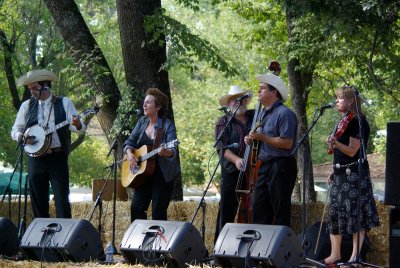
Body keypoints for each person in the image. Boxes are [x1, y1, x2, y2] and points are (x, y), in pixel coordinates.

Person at [11, 69, 85, 218]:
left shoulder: (64, 102)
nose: (31, 91)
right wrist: (22, 136)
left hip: (57, 158)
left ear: (45, 86)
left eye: (34, 88)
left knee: (62, 202)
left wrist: (77, 124)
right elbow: (15, 130)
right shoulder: (27, 106)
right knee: (38, 202)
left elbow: (79, 129)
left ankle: (64, 238)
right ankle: (41, 239)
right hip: (35, 159)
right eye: (29, 89)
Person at [322, 85, 380, 265]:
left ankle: (355, 256)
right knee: (334, 213)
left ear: (350, 101)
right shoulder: (342, 121)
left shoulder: (358, 121)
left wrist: (336, 143)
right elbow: (340, 152)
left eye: (340, 98)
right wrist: (334, 169)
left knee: (356, 215)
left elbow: (353, 151)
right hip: (340, 173)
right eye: (337, 98)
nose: (337, 101)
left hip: (355, 174)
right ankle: (335, 254)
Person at [244, 73, 298, 226]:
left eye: (262, 88)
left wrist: (263, 138)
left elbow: (287, 143)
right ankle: (260, 247)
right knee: (259, 210)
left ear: (274, 92)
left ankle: (280, 248)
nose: (258, 91)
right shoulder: (262, 113)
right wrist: (252, 139)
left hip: (281, 166)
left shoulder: (285, 113)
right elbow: (262, 138)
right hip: (265, 165)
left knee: (280, 211)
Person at [123, 88, 180, 222]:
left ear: (158, 106)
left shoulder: (167, 125)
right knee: (136, 206)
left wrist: (165, 151)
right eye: (144, 102)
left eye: (148, 102)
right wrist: (130, 153)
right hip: (143, 173)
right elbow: (129, 142)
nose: (144, 105)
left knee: (158, 210)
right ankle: (138, 241)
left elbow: (173, 150)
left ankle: (158, 242)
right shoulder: (142, 122)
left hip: (162, 173)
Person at [214, 85, 255, 242]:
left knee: (252, 208)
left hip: (253, 170)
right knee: (227, 209)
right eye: (234, 100)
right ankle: (220, 247)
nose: (239, 102)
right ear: (229, 104)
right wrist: (237, 159)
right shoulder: (223, 122)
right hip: (231, 170)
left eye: (242, 99)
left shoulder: (254, 116)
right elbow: (221, 148)